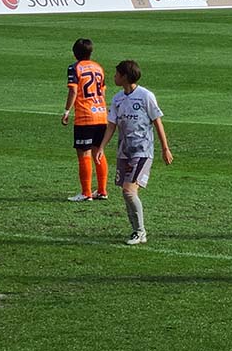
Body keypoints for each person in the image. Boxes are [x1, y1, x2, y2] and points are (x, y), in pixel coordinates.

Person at [95, 60, 173, 245]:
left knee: (129, 191)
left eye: (116, 74)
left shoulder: (145, 96)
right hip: (124, 152)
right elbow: (111, 126)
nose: (113, 77)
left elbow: (157, 121)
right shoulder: (117, 99)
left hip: (142, 151)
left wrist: (165, 148)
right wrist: (102, 147)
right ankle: (135, 231)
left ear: (125, 76)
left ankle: (140, 232)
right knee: (126, 192)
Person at [62, 38, 109, 202]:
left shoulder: (74, 68)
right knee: (99, 152)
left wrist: (67, 110)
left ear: (74, 53)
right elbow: (102, 93)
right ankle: (102, 191)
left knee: (84, 154)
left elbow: (73, 91)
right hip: (101, 114)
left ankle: (86, 192)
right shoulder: (99, 68)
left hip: (85, 116)